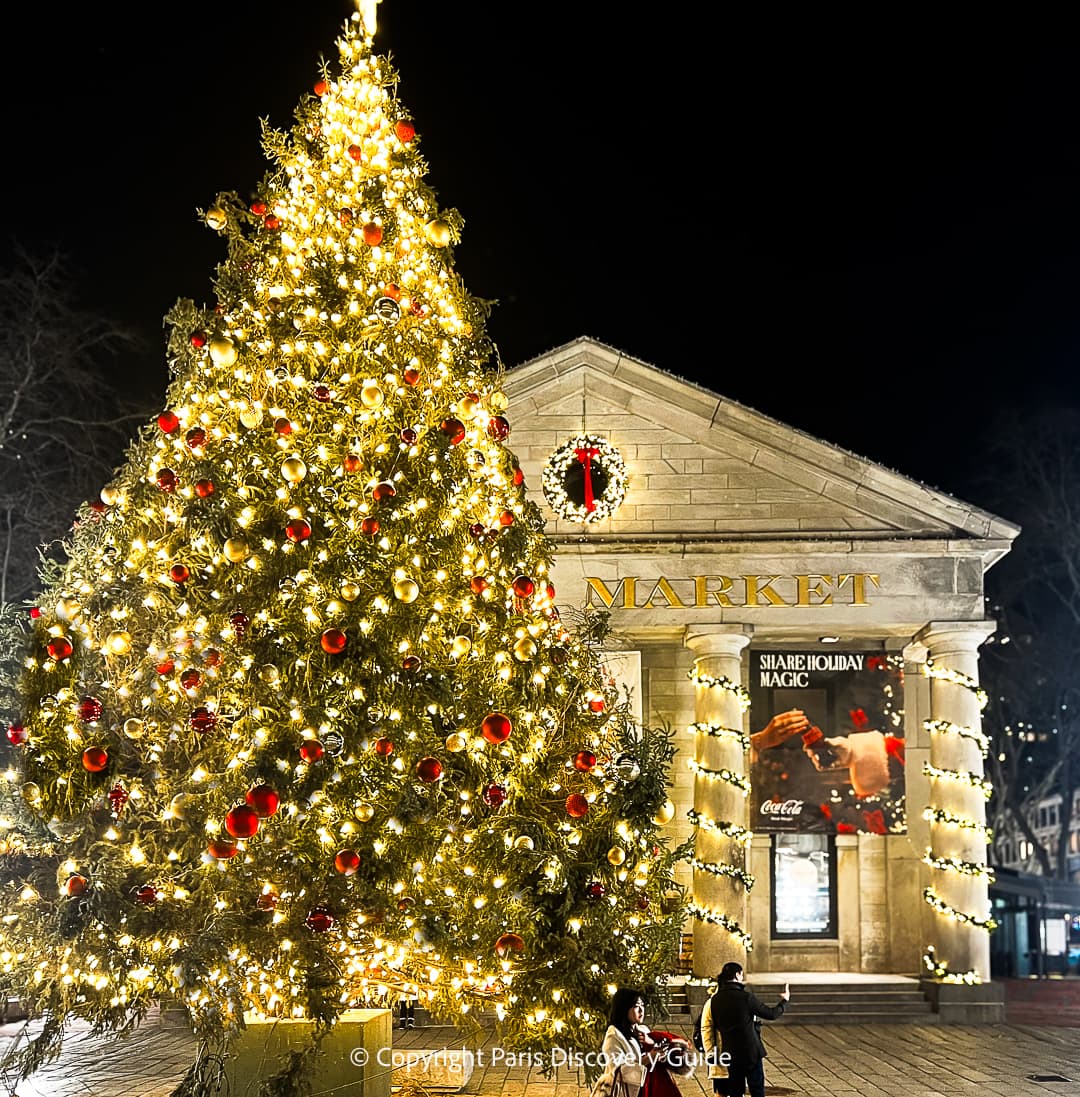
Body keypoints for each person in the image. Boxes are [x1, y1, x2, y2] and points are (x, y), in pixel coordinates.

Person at [701, 962, 789, 1097]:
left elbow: (707, 1027)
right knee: (756, 1089)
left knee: (736, 1091)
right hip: (751, 1052)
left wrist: (710, 1051)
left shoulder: (714, 1001)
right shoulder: (746, 997)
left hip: (730, 1053)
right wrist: (784, 1002)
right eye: (741, 974)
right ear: (737, 975)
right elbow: (771, 1014)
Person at [591, 988, 690, 1097]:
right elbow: (619, 1070)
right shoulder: (614, 1036)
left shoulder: (643, 1030)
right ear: (624, 1009)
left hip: (649, 1088)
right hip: (626, 1091)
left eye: (642, 1005)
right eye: (636, 1006)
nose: (641, 1010)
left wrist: (659, 1054)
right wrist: (649, 1058)